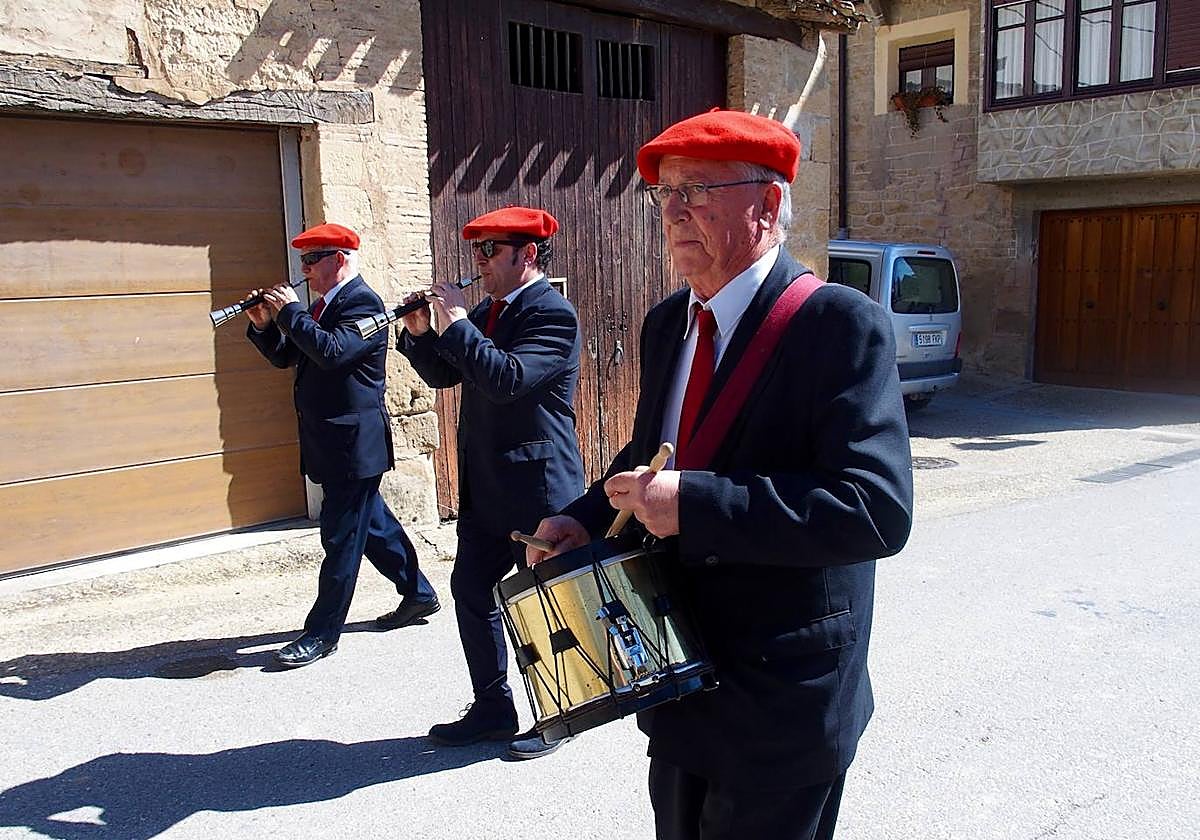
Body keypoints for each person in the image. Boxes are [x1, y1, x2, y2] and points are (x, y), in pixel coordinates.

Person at [526, 111, 914, 838]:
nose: (672, 211)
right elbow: (655, 453)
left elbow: (875, 510)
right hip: (678, 675)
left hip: (785, 697)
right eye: (663, 193)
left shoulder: (838, 324)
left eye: (697, 190)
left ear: (766, 206)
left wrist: (696, 505)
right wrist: (582, 515)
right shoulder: (669, 321)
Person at [396, 206, 585, 760]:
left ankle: (561, 713)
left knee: (546, 603)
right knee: (472, 591)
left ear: (526, 254)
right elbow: (447, 375)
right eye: (475, 251)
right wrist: (421, 335)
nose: (477, 262)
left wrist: (455, 323)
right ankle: (493, 706)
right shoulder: (488, 309)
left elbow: (506, 380)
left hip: (537, 485)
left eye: (488, 251)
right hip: (487, 485)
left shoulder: (553, 314)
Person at [245, 222, 439, 669]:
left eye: (313, 260)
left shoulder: (365, 305)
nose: (306, 270)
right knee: (372, 526)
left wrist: (291, 313)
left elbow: (332, 352)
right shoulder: (320, 306)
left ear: (341, 259)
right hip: (330, 442)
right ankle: (418, 594)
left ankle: (321, 633)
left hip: (354, 445)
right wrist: (265, 327)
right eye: (303, 262)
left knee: (340, 538)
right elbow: (289, 356)